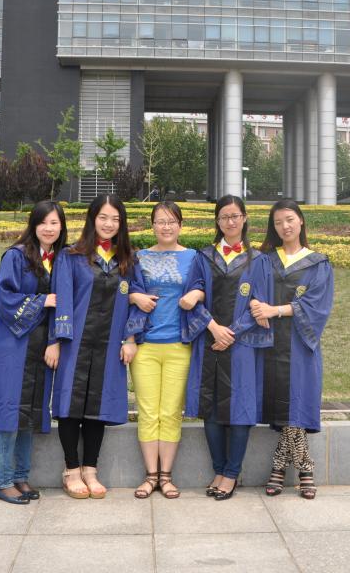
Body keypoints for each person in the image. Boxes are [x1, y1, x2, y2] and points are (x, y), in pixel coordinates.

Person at [47, 194, 141, 499]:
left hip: (110, 344)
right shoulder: (72, 256)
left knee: (97, 407)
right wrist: (56, 341)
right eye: (103, 217)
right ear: (92, 219)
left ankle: (91, 469)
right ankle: (71, 470)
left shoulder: (128, 260)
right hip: (74, 343)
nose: (109, 224)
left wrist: (130, 339)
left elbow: (139, 299)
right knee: (70, 404)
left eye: (115, 219)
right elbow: (62, 299)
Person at [182, 195, 271, 501]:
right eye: (224, 217)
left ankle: (231, 474)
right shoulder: (203, 257)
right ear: (217, 222)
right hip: (209, 340)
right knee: (210, 407)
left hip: (241, 345)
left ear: (244, 218)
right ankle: (219, 469)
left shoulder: (258, 260)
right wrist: (213, 328)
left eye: (235, 216)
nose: (230, 221)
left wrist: (231, 332)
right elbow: (191, 297)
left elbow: (261, 305)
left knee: (240, 409)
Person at [249, 199, 334, 500]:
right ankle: (303, 470)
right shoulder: (264, 260)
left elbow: (317, 306)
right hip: (269, 344)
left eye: (289, 219)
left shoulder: (318, 263)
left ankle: (286, 467)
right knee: (287, 406)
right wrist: (256, 305)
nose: (284, 226)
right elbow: (251, 292)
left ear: (301, 221)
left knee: (295, 404)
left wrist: (276, 310)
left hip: (299, 344)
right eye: (277, 222)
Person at [0, 200, 67, 505]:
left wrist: (55, 341)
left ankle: (21, 477)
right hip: (14, 345)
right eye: (43, 222)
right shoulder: (16, 256)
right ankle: (3, 481)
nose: (49, 228)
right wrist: (42, 300)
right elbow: (3, 297)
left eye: (55, 223)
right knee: (11, 410)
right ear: (33, 225)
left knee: (30, 411)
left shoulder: (59, 259)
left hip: (41, 347)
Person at [127, 201, 202, 499]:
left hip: (179, 345)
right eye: (160, 221)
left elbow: (204, 286)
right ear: (153, 225)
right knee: (148, 412)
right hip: (145, 346)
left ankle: (166, 476)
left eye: (171, 221)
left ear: (181, 225)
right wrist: (134, 297)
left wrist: (196, 293)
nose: (166, 226)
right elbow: (124, 290)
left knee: (170, 412)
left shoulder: (193, 257)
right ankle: (150, 476)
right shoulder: (139, 257)